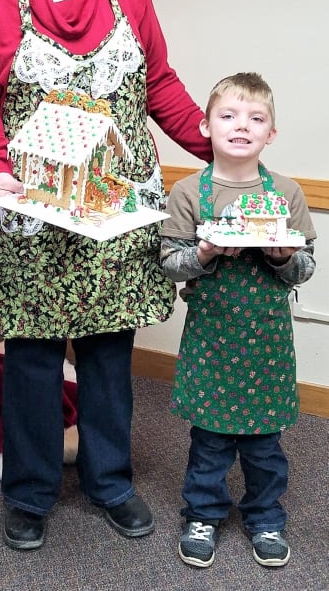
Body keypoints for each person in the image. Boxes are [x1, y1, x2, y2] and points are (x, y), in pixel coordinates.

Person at [0, 0, 212, 550]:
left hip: (116, 205)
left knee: (106, 352)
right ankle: (30, 493)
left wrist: (211, 143)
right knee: (32, 358)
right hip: (32, 211)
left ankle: (109, 481)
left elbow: (156, 80)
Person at [160, 72, 316, 570]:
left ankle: (266, 515)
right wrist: (204, 253)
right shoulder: (188, 192)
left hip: (267, 342)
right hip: (213, 338)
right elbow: (168, 262)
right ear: (206, 127)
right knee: (209, 440)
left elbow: (305, 267)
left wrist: (279, 254)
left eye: (256, 118)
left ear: (271, 134)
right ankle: (202, 513)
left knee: (265, 445)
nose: (241, 126)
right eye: (227, 115)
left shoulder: (286, 193)